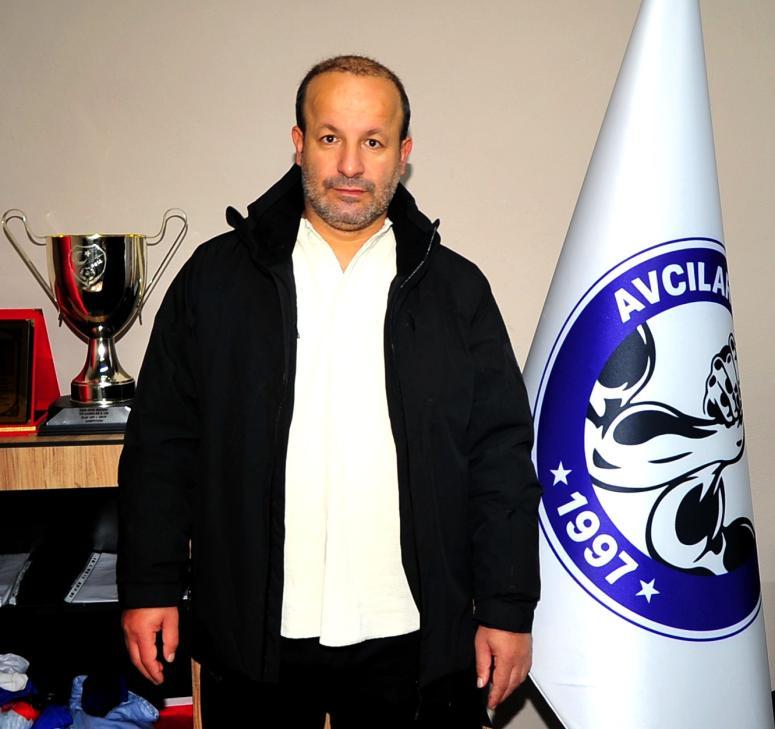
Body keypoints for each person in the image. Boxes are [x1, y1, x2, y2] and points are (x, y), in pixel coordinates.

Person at [118, 55, 541, 728]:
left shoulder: (456, 292)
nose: (350, 164)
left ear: (402, 153)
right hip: (254, 638)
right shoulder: (215, 279)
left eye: (372, 141)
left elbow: (499, 459)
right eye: (329, 137)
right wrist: (149, 583)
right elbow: (162, 445)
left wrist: (506, 607)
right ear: (298, 143)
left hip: (416, 640)